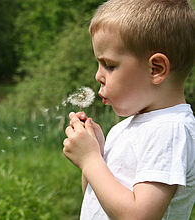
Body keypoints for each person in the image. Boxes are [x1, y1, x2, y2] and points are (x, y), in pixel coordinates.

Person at [62, 0, 195, 219]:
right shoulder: (125, 128)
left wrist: (90, 160)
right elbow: (96, 200)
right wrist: (96, 152)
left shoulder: (170, 130)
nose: (98, 75)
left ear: (156, 69)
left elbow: (138, 216)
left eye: (109, 65)